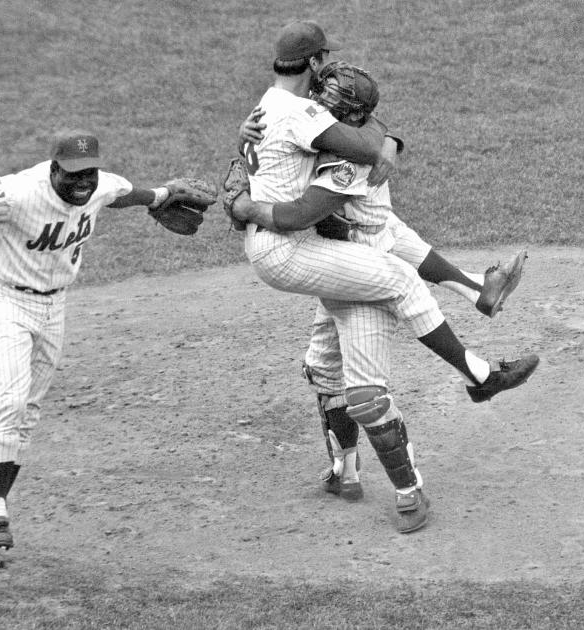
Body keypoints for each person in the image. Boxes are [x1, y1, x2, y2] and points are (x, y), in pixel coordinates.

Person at [227, 22, 538, 532]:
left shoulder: (269, 110)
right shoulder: (326, 143)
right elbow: (306, 207)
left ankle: (342, 472)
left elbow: (362, 132)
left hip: (319, 256)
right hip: (301, 248)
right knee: (394, 293)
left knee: (327, 371)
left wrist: (386, 140)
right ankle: (463, 402)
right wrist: (250, 208)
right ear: (311, 62)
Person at [0, 128, 215, 567]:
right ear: (53, 169)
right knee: (11, 401)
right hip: (5, 301)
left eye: (88, 173)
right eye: (72, 175)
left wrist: (162, 194)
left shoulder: (99, 184)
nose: (82, 183)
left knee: (28, 412)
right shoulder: (17, 193)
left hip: (54, 307)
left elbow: (124, 194)